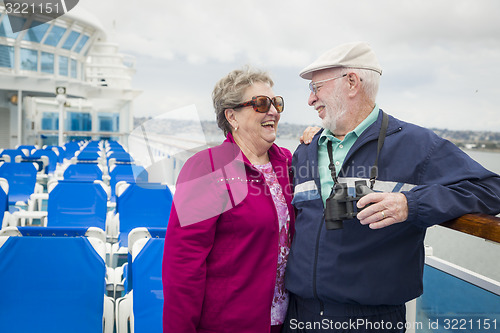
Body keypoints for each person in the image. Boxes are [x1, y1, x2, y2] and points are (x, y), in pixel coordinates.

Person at [283, 42, 500, 332]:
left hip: (371, 322)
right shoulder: (307, 150)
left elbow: (490, 188)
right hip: (300, 316)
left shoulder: (416, 145)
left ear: (351, 83)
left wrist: (412, 205)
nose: (310, 99)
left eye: (316, 87)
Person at [162, 67, 295, 333]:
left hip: (287, 323)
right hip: (230, 325)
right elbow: (183, 265)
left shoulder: (288, 164)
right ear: (232, 116)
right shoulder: (207, 168)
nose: (273, 111)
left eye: (276, 102)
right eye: (261, 104)